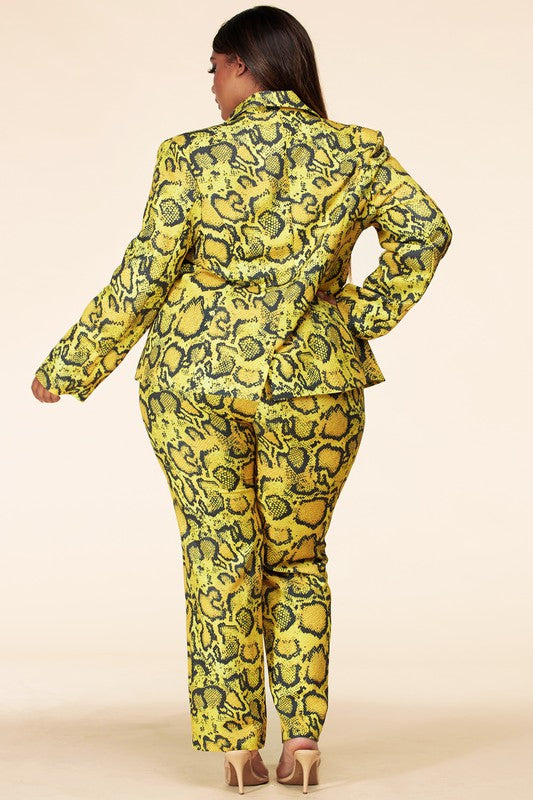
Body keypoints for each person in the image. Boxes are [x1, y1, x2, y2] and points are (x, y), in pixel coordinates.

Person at [31, 4, 452, 793]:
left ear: (241, 65)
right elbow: (425, 232)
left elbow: (146, 273)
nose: (212, 88)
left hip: (193, 382)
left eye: (214, 70)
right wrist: (357, 317)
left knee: (218, 553)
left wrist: (72, 364)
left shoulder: (190, 156)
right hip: (314, 381)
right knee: (297, 556)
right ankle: (302, 743)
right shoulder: (355, 150)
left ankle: (236, 747)